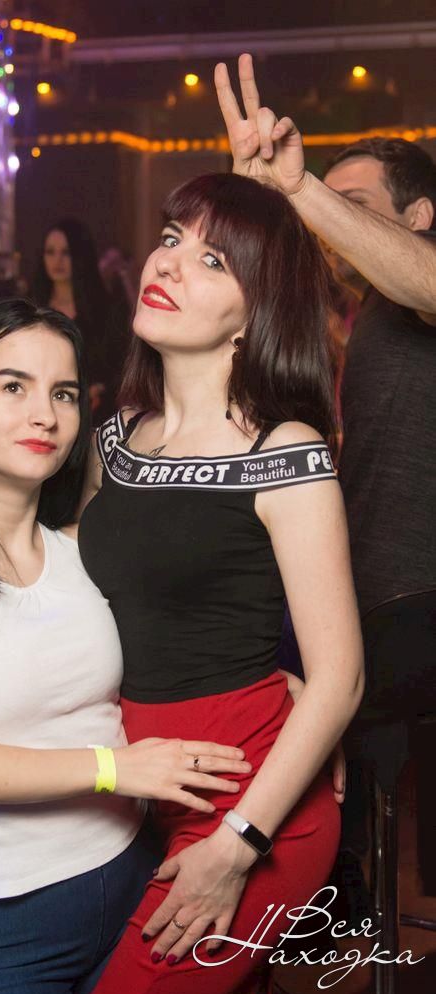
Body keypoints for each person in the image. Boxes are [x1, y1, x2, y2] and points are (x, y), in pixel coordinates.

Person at [0, 168, 360, 994]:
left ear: (253, 312)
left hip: (252, 810)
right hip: (145, 805)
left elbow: (342, 677)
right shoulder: (116, 440)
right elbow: (76, 572)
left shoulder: (283, 448)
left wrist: (240, 837)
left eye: (212, 260)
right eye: (171, 240)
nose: (168, 263)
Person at [0, 298, 252, 994]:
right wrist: (115, 769)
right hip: (12, 921)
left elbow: (184, 644)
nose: (44, 414)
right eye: (13, 386)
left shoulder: (85, 550)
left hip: (137, 878)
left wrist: (285, 689)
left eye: (62, 393)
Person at [215, 52, 436, 909]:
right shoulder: (368, 312)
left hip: (412, 603)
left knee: (247, 668)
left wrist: (301, 188)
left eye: (357, 207)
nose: (332, 227)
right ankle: (332, 880)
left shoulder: (416, 281)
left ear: (418, 216)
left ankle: (297, 884)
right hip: (380, 597)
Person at [30, 219, 129, 421]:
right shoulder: (31, 307)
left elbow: (121, 365)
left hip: (94, 413)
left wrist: (98, 388)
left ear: (79, 256)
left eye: (66, 253)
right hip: (37, 408)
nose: (57, 260)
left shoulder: (106, 309)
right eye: (50, 252)